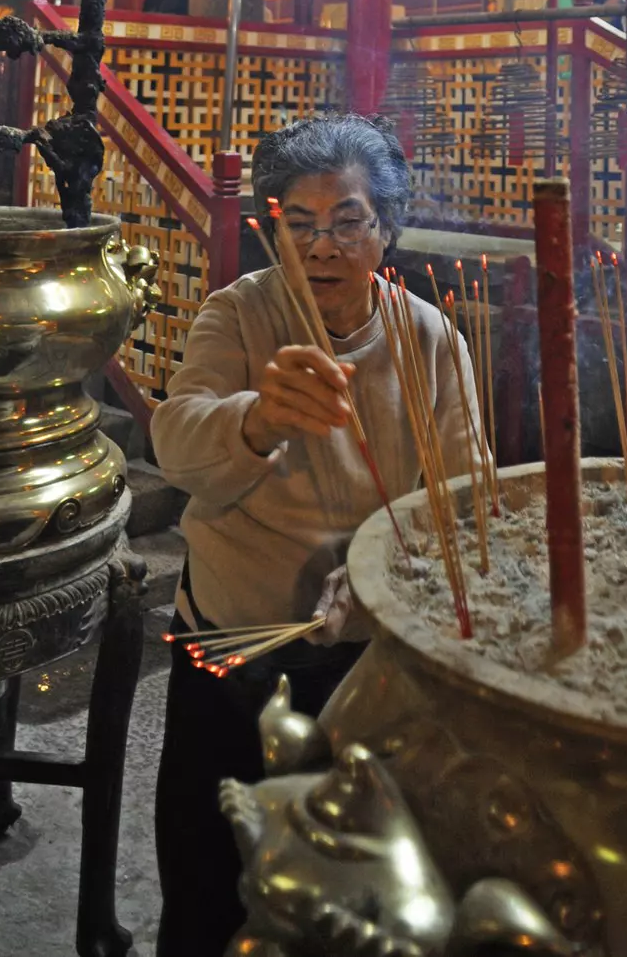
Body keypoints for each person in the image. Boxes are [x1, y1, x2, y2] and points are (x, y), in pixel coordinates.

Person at [151, 114, 477, 957]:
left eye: (347, 223)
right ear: (275, 234)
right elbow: (178, 438)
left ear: (388, 230)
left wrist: (381, 572)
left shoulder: (431, 336)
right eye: (299, 227)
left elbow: (463, 497)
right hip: (235, 648)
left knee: (357, 896)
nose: (323, 247)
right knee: (211, 879)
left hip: (371, 664)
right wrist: (257, 420)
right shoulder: (240, 315)